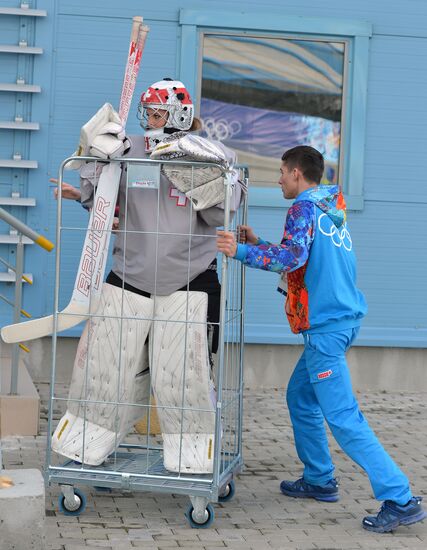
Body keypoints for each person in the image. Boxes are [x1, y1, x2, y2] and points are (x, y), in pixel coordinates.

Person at [217, 145, 426, 532]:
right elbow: (304, 255)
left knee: (344, 418)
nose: (277, 178)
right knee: (300, 396)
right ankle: (319, 479)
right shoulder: (329, 207)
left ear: (297, 174)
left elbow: (291, 259)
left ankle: (399, 498)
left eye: (281, 171)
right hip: (341, 322)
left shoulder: (301, 209)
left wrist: (240, 251)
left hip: (326, 331)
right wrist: (260, 240)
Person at [52, 78, 244, 473]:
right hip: (130, 273)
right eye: (148, 111)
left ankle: (193, 456)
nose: (150, 119)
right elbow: (105, 207)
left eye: (157, 111)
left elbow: (223, 211)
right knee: (105, 368)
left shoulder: (212, 152)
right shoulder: (130, 148)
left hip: (191, 278)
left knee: (182, 376)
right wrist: (97, 162)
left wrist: (198, 172)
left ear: (179, 113)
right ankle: (88, 446)